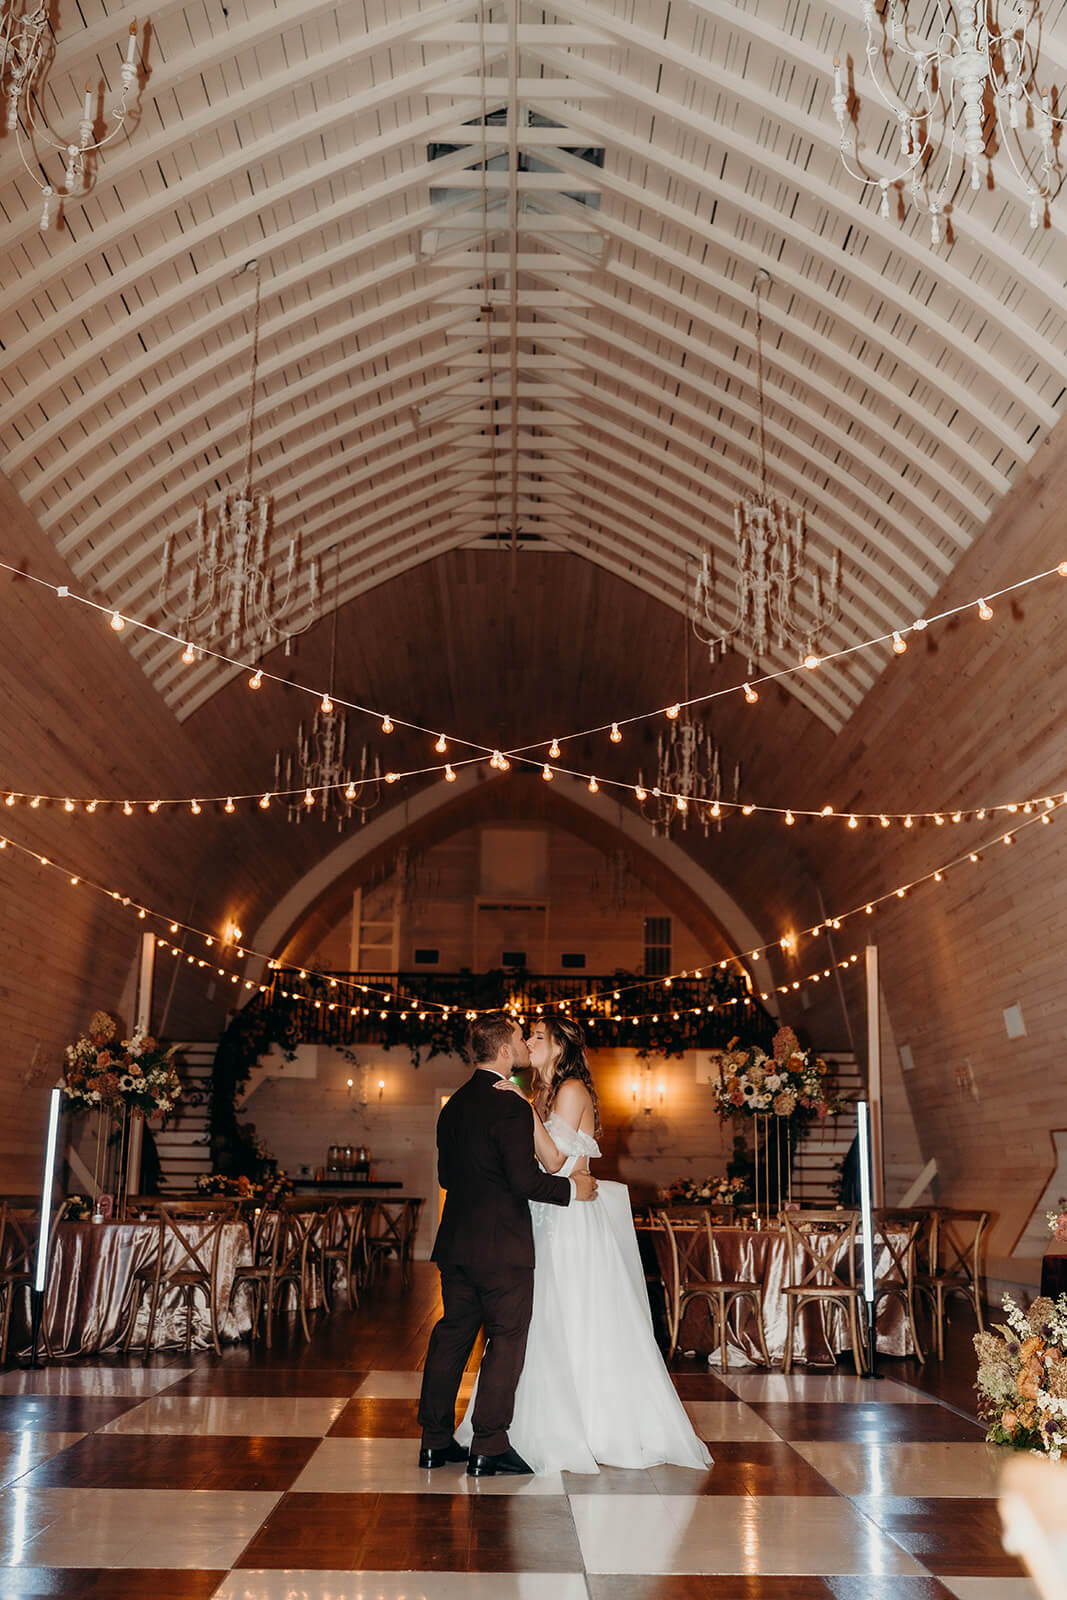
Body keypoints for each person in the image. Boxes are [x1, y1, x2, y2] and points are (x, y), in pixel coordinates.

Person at [457, 1014, 712, 1474]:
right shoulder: (541, 1092)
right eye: (527, 1035)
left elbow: (555, 1161)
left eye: (538, 1036)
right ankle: (515, 1426)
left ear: (560, 1047)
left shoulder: (571, 1089)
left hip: (571, 1222)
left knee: (570, 1317)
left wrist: (523, 1108)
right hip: (546, 1216)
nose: (529, 1041)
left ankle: (587, 1427)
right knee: (534, 1322)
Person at [417, 1011, 598, 1478]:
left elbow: (445, 1176)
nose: (523, 1044)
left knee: (451, 1338)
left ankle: (433, 1441)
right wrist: (572, 1191)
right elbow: (525, 1181)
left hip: (456, 1244)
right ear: (503, 1051)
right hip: (504, 1248)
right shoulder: (511, 1105)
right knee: (505, 1342)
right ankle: (488, 1446)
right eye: (519, 1038)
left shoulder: (453, 1105)